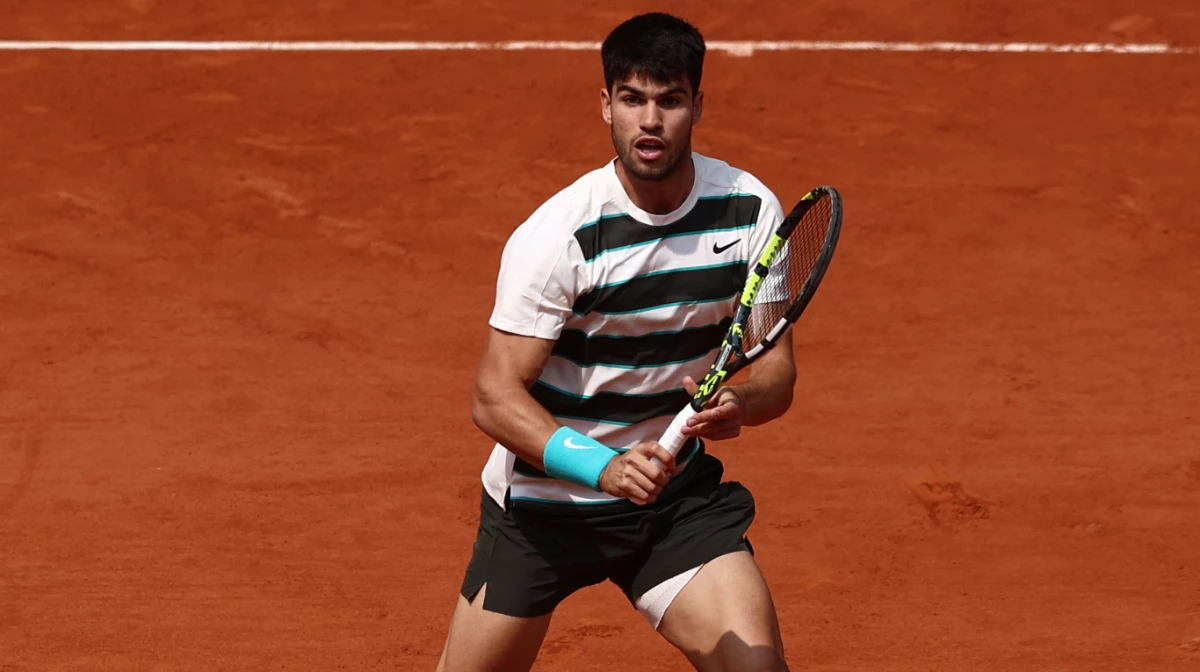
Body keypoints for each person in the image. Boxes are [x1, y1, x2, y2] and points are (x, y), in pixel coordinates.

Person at [436, 12, 797, 672]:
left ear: (697, 105)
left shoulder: (751, 213)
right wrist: (601, 466)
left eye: (670, 100)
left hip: (671, 505)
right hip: (544, 516)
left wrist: (743, 403)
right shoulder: (561, 236)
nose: (650, 121)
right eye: (632, 99)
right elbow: (492, 397)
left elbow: (777, 371)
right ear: (606, 105)